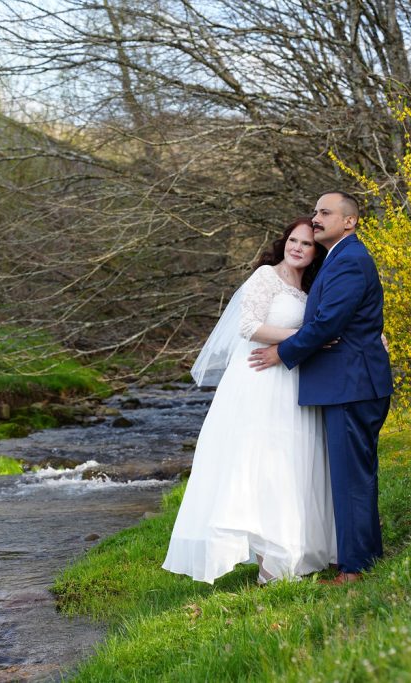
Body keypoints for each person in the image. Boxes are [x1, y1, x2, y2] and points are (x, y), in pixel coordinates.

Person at [162, 218, 336, 584]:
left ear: (316, 251)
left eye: (306, 244)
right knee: (259, 464)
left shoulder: (309, 287)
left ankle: (288, 555)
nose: (298, 248)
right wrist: (304, 336)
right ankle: (267, 565)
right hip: (259, 381)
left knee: (291, 463)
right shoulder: (265, 277)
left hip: (292, 382)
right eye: (293, 240)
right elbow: (248, 326)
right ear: (284, 242)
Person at [249, 191, 393, 586]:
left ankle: (355, 569)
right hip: (347, 383)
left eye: (324, 213)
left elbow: (329, 323)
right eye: (314, 211)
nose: (315, 218)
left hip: (351, 385)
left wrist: (282, 352)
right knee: (353, 476)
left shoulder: (349, 260)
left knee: (351, 479)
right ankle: (361, 557)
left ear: (350, 221)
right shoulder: (338, 258)